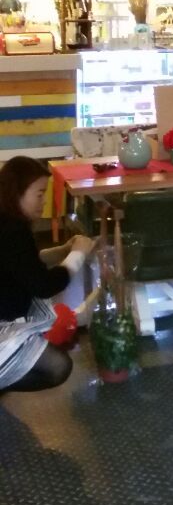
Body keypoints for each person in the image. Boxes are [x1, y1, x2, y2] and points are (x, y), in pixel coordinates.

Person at [0, 156, 95, 393]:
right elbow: (43, 286)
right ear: (17, 192)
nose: (44, 202)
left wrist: (63, 251)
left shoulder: (7, 222)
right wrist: (78, 255)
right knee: (58, 367)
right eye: (40, 194)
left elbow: (21, 265)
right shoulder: (12, 231)